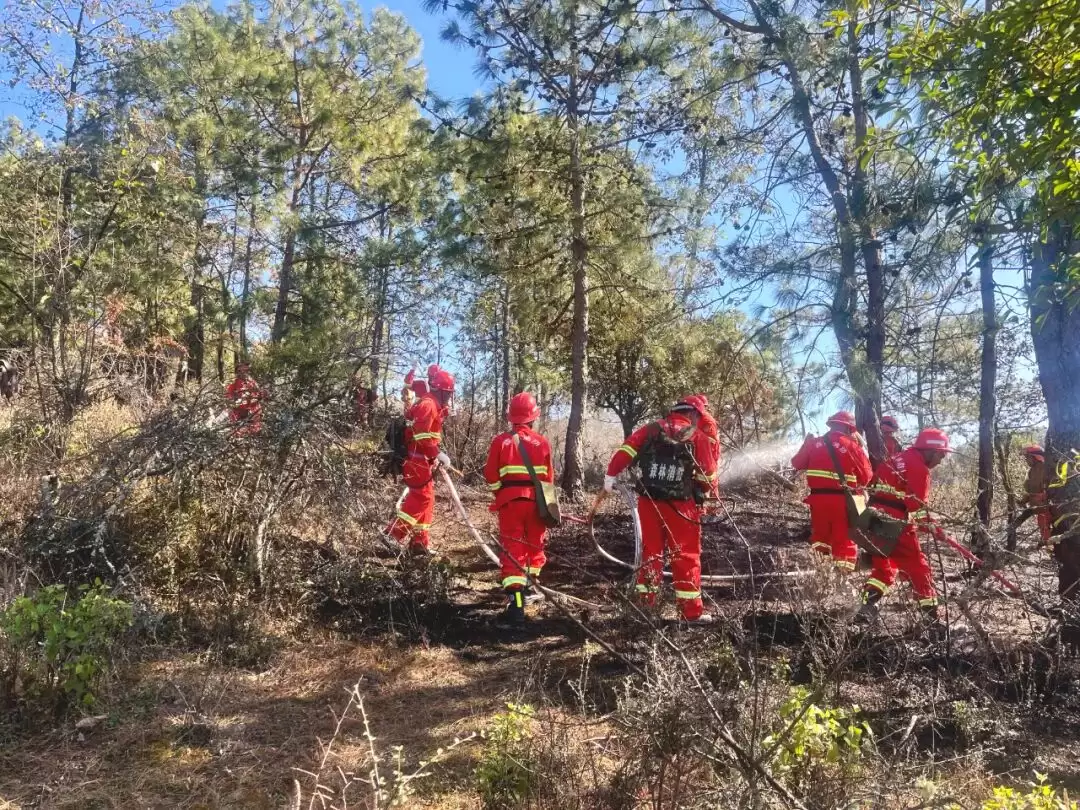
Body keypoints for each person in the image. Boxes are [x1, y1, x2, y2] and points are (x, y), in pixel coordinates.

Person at [604, 394, 720, 623]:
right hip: (683, 507)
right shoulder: (698, 437)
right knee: (685, 556)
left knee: (651, 554)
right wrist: (705, 490)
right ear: (693, 414)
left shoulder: (651, 429)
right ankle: (690, 614)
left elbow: (626, 451)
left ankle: (646, 609)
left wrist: (610, 474)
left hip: (649, 502)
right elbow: (708, 476)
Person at [856, 428, 953, 629]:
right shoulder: (919, 468)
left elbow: (872, 487)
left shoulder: (895, 460)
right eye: (941, 455)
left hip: (872, 519)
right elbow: (916, 506)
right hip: (894, 522)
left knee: (884, 570)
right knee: (920, 570)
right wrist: (933, 527)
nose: (941, 461)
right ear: (930, 451)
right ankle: (934, 623)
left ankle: (864, 608)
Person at [484, 392, 554, 626]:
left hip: (511, 504)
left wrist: (500, 492)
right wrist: (550, 509)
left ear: (511, 417)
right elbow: (548, 479)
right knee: (535, 545)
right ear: (533, 417)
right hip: (537, 503)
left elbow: (491, 475)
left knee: (513, 550)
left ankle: (516, 604)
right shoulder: (542, 442)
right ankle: (532, 588)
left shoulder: (500, 441)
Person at [790, 411, 874, 572]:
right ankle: (840, 581)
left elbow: (797, 463)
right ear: (850, 429)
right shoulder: (852, 447)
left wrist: (805, 444)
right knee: (844, 541)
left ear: (831, 425)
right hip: (843, 504)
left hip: (818, 502)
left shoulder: (814, 443)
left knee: (820, 539)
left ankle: (822, 573)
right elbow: (866, 477)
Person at [384, 365, 455, 555]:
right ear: (439, 391)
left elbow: (428, 436)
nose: (449, 398)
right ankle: (392, 534)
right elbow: (421, 436)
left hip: (423, 461)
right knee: (421, 498)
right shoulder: (428, 405)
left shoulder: (433, 405)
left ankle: (419, 543)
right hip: (416, 461)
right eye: (447, 394)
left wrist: (436, 454)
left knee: (428, 500)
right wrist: (437, 454)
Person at [1015, 445, 1052, 546]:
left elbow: (1040, 489)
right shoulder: (1032, 471)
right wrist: (1023, 501)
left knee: (1046, 525)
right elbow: (1031, 491)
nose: (1026, 460)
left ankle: (1051, 545)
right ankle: (1047, 543)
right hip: (1039, 506)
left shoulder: (1044, 469)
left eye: (1028, 457)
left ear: (1036, 457)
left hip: (1047, 505)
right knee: (1043, 525)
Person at [225, 361, 263, 436]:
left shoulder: (252, 382)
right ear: (237, 372)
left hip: (253, 416)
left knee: (254, 436)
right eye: (240, 371)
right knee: (240, 436)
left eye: (246, 370)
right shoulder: (233, 383)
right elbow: (229, 400)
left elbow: (259, 396)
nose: (243, 373)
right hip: (239, 416)